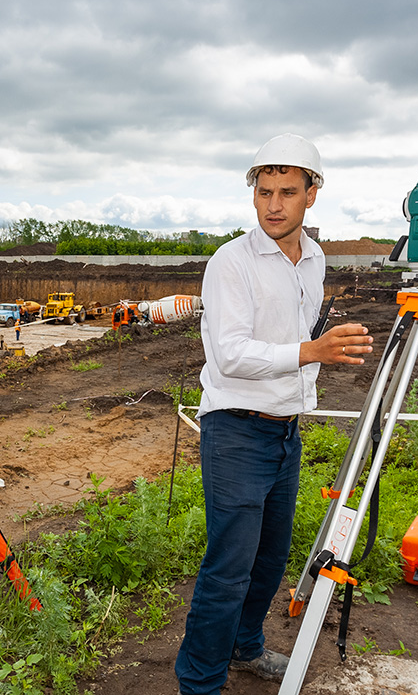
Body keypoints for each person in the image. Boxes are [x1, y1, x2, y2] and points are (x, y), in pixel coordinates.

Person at [175, 134, 373, 695]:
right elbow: (231, 354)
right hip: (235, 430)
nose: (274, 205)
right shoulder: (231, 263)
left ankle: (245, 648)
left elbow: (294, 333)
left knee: (269, 559)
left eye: (288, 192)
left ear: (313, 194)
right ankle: (199, 683)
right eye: (264, 192)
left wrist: (309, 357)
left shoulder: (315, 260)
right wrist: (311, 352)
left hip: (285, 431)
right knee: (229, 568)